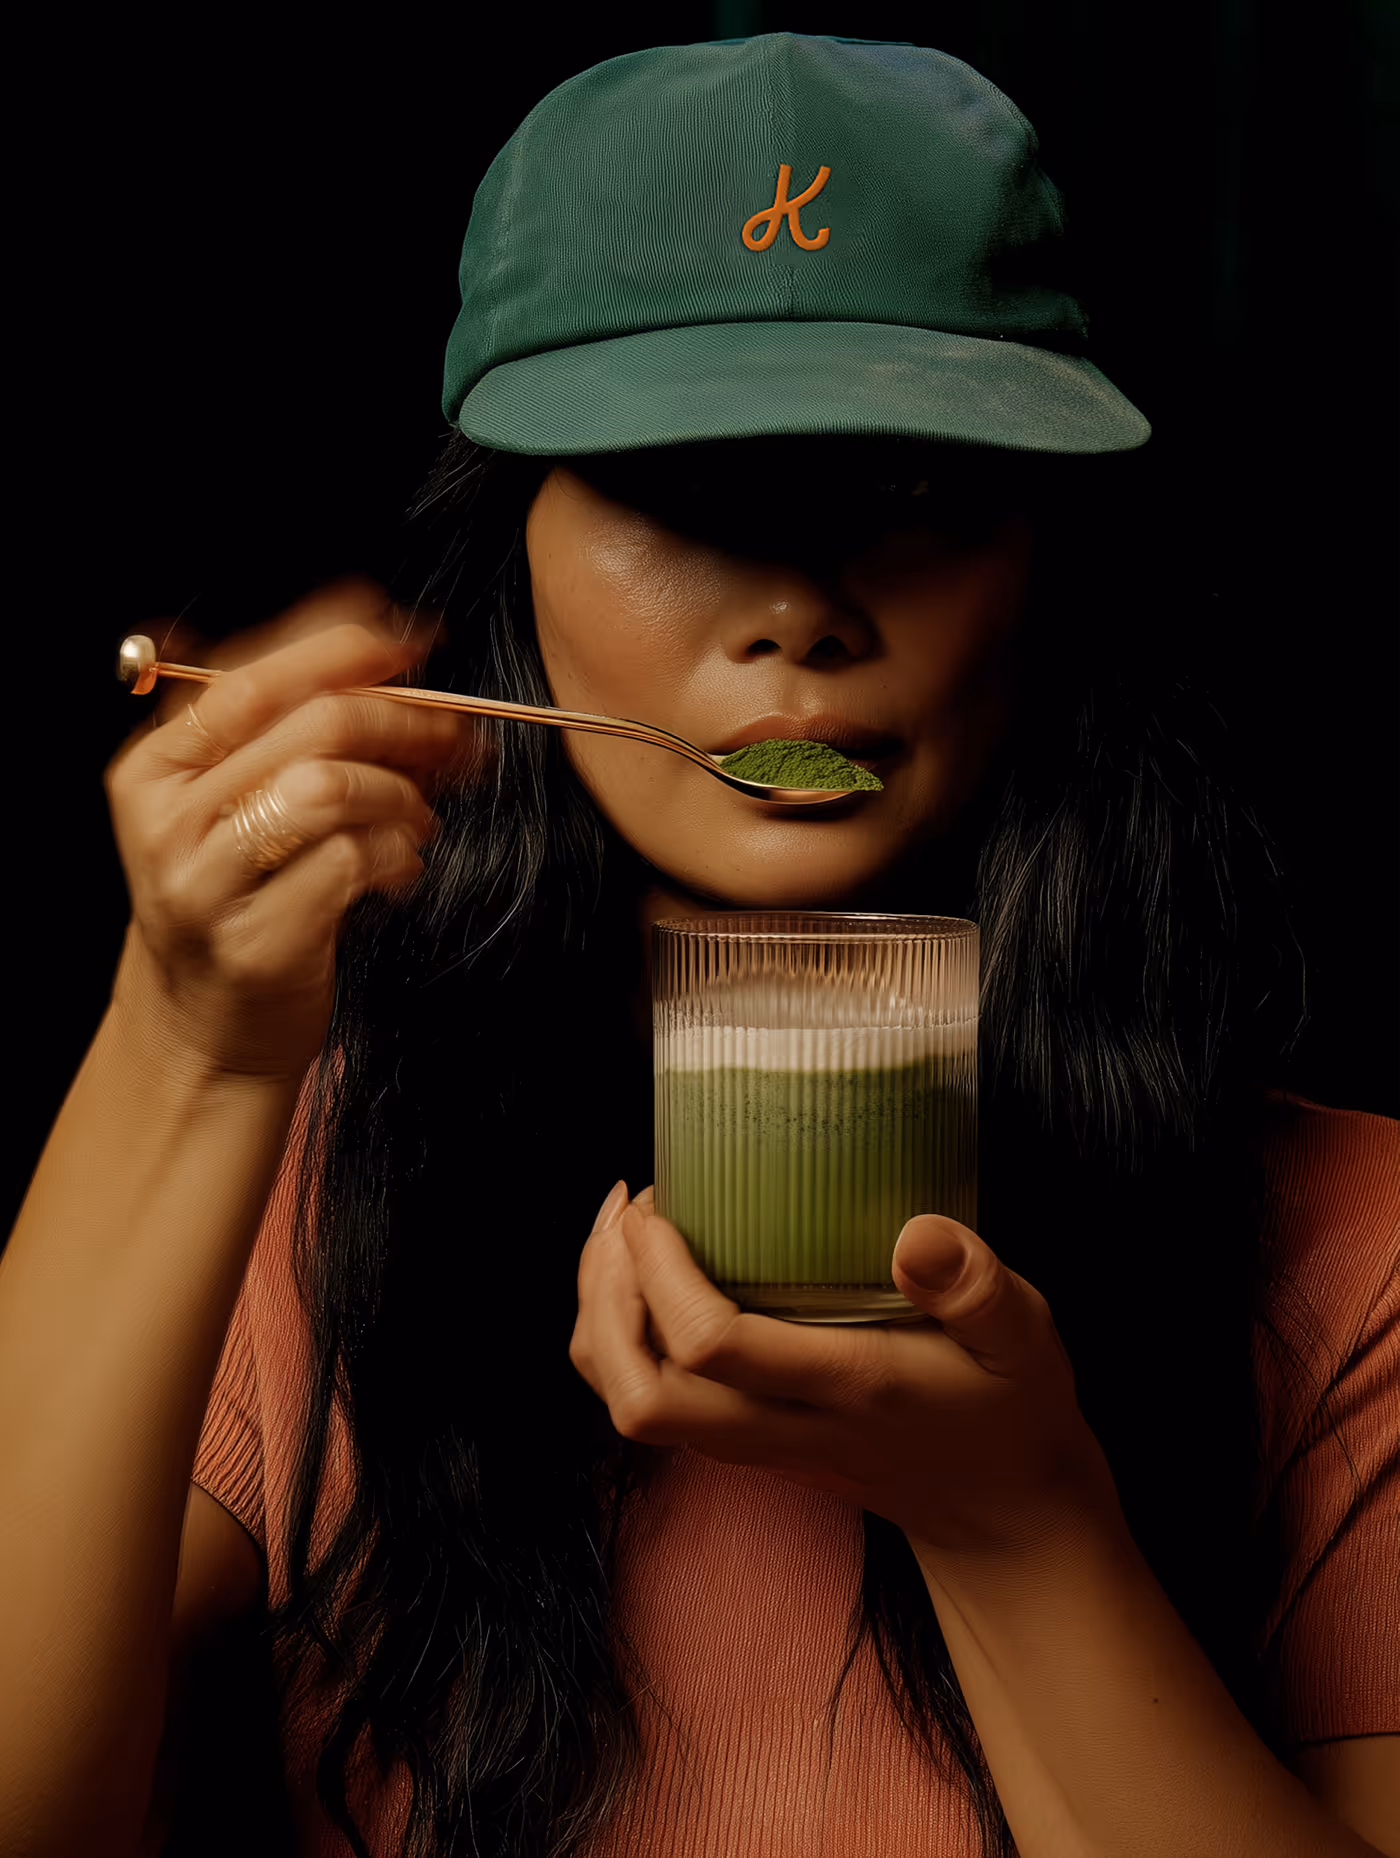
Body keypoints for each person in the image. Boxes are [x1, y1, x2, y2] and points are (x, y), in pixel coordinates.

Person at [3, 31, 1396, 1858]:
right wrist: (181, 1044)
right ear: (513, 568)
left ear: (1051, 557)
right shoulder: (301, 1208)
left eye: (907, 491)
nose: (799, 613)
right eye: (682, 491)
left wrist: (1018, 1525)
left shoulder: (1348, 1258)